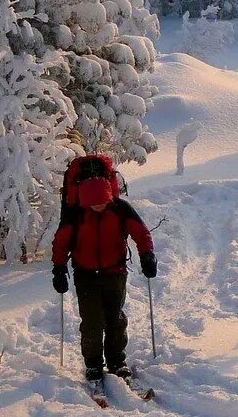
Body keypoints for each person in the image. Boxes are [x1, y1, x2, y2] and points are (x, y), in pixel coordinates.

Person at [50, 157, 157, 383]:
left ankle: (117, 361)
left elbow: (141, 233)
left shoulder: (120, 209)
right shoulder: (76, 215)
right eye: (93, 203)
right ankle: (93, 365)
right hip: (85, 275)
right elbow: (60, 243)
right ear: (85, 200)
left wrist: (147, 255)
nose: (98, 206)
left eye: (102, 202)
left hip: (115, 273)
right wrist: (58, 269)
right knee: (91, 322)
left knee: (115, 319)